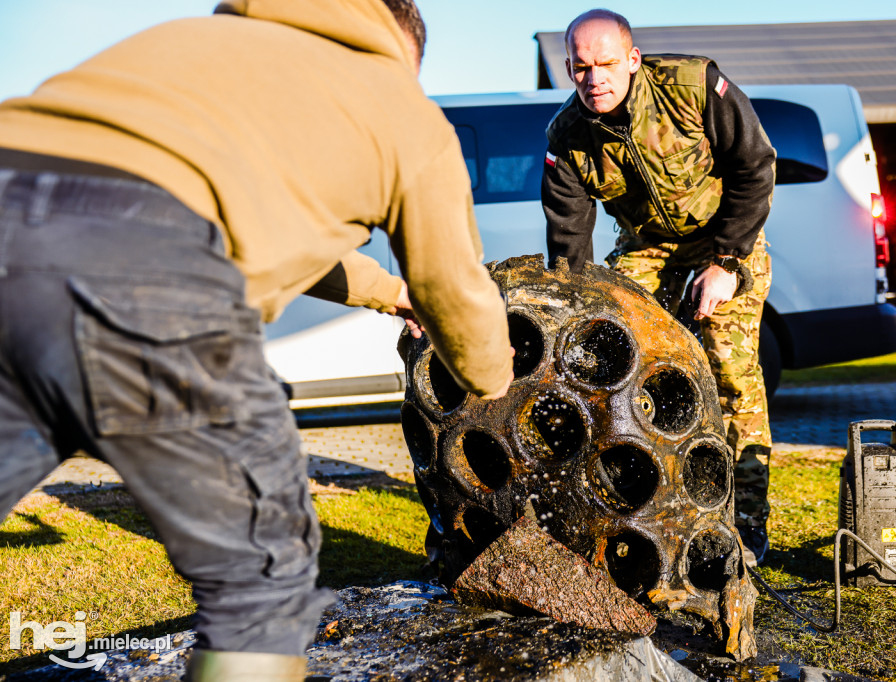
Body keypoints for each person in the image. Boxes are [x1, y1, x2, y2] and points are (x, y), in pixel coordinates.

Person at [0, 0, 512, 679]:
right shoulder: (396, 102)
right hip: (147, 268)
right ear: (403, 49)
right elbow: (456, 287)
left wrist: (389, 291)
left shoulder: (193, 43)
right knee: (261, 579)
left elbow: (264, 219)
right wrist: (496, 386)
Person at [542, 9, 776, 567]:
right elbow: (569, 241)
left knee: (729, 373)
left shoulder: (692, 88)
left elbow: (755, 166)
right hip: (647, 248)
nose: (593, 79)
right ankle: (640, 507)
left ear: (632, 60)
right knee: (612, 363)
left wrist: (726, 261)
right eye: (579, 69)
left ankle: (746, 526)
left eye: (604, 65)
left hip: (723, 235)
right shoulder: (568, 135)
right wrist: (575, 317)